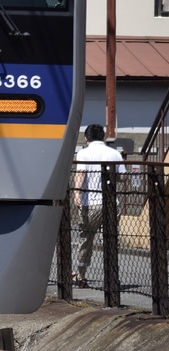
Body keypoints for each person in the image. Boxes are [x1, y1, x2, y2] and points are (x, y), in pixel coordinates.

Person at [73, 123, 126, 287]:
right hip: (111, 202)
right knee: (110, 239)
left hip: (91, 203)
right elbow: (123, 177)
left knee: (86, 239)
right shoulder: (114, 153)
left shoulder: (84, 153)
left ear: (86, 138)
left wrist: (77, 193)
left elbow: (81, 173)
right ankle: (111, 277)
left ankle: (81, 277)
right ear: (103, 137)